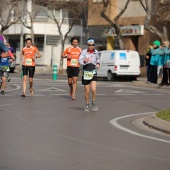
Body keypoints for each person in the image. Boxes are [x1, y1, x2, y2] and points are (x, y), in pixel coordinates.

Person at [79, 38, 100, 112]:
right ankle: (87, 104)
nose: (91, 46)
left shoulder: (96, 52)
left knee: (94, 89)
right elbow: (80, 61)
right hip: (86, 71)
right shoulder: (84, 52)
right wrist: (84, 61)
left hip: (93, 71)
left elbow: (98, 59)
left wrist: (98, 64)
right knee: (87, 91)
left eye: (92, 45)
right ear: (87, 45)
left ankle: (94, 103)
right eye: (90, 45)